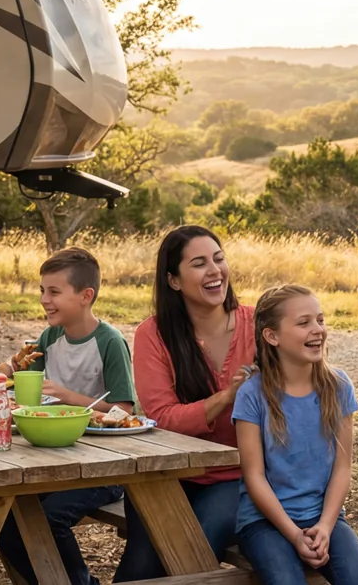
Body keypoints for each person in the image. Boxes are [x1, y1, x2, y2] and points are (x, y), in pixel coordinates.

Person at [115, 225, 256, 582]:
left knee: (189, 555)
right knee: (140, 568)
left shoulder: (259, 325)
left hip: (241, 477)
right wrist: (226, 398)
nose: (214, 271)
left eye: (219, 259)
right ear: (174, 281)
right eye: (199, 263)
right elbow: (162, 418)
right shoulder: (154, 333)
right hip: (168, 474)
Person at [0, 247, 139, 584]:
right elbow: (26, 386)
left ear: (85, 296)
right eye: (42, 290)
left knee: (48, 519)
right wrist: (8, 374)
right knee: (4, 516)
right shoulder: (49, 337)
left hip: (104, 466)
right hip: (54, 457)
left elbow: (125, 411)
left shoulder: (110, 341)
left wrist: (70, 398)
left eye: (54, 292)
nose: (44, 299)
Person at [233, 285, 358, 585]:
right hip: (264, 523)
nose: (317, 330)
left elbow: (342, 467)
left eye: (320, 320)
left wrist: (325, 525)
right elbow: (254, 477)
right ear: (272, 337)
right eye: (303, 323)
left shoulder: (338, 387)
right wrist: (295, 534)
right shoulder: (251, 396)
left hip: (325, 517)